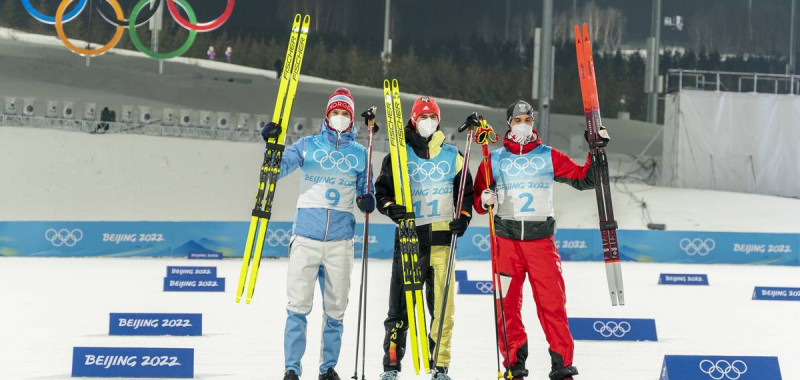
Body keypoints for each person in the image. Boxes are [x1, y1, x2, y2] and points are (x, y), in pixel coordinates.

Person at [472, 100, 608, 380]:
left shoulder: (549, 156)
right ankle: (514, 364)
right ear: (509, 123)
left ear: (533, 122)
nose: (523, 124)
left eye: (527, 119)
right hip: (506, 244)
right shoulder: (494, 159)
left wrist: (596, 151)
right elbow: (476, 197)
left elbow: (585, 180)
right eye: (518, 119)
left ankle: (562, 366)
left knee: (552, 305)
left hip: (541, 243)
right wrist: (483, 198)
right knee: (506, 306)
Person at [262, 88, 375, 380]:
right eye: (335, 112)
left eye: (345, 113)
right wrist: (272, 144)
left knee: (336, 310)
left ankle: (327, 369)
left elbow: (367, 190)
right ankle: (291, 367)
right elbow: (276, 168)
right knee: (297, 306)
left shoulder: (362, 153)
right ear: (327, 116)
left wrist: (367, 199)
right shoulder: (306, 145)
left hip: (340, 242)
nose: (340, 117)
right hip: (306, 238)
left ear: (351, 119)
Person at [375, 96, 473, 380]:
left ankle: (440, 366)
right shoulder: (398, 154)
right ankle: (391, 366)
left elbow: (465, 192)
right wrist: (393, 210)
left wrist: (463, 217)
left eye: (432, 117)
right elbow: (382, 193)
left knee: (443, 310)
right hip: (410, 240)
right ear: (413, 120)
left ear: (438, 121)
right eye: (423, 117)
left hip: (443, 240)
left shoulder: (452, 155)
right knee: (400, 309)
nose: (428, 122)